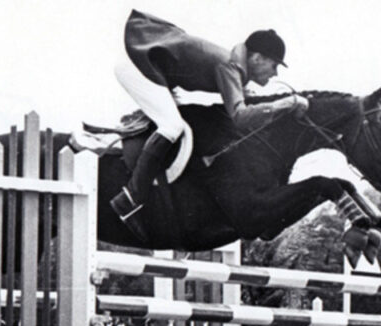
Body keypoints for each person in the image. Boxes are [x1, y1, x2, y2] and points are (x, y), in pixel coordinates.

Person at [111, 9, 310, 239]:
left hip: (151, 66)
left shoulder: (233, 66)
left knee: (176, 123)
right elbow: (240, 117)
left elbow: (246, 105)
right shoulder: (228, 66)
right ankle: (130, 199)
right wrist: (287, 103)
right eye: (274, 65)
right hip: (138, 65)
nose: (275, 74)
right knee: (173, 127)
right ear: (257, 58)